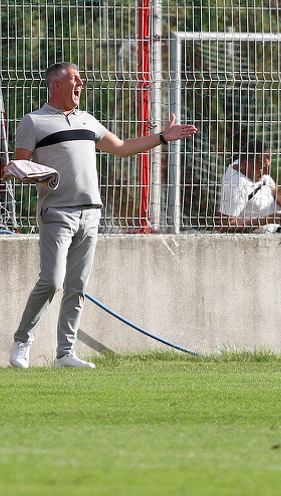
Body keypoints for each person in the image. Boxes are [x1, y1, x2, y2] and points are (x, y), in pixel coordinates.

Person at [10, 62, 197, 369]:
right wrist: (40, 177)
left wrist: (163, 137)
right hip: (56, 212)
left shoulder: (87, 120)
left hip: (90, 213)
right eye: (75, 79)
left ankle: (65, 354)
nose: (81, 84)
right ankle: (22, 341)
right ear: (56, 85)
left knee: (78, 286)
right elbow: (21, 167)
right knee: (52, 281)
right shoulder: (34, 121)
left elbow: (122, 147)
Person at [218, 138, 281, 232]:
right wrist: (267, 220)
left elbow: (274, 188)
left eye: (268, 167)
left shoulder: (248, 164)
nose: (267, 173)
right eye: (262, 168)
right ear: (245, 165)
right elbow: (224, 227)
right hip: (274, 232)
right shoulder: (236, 187)